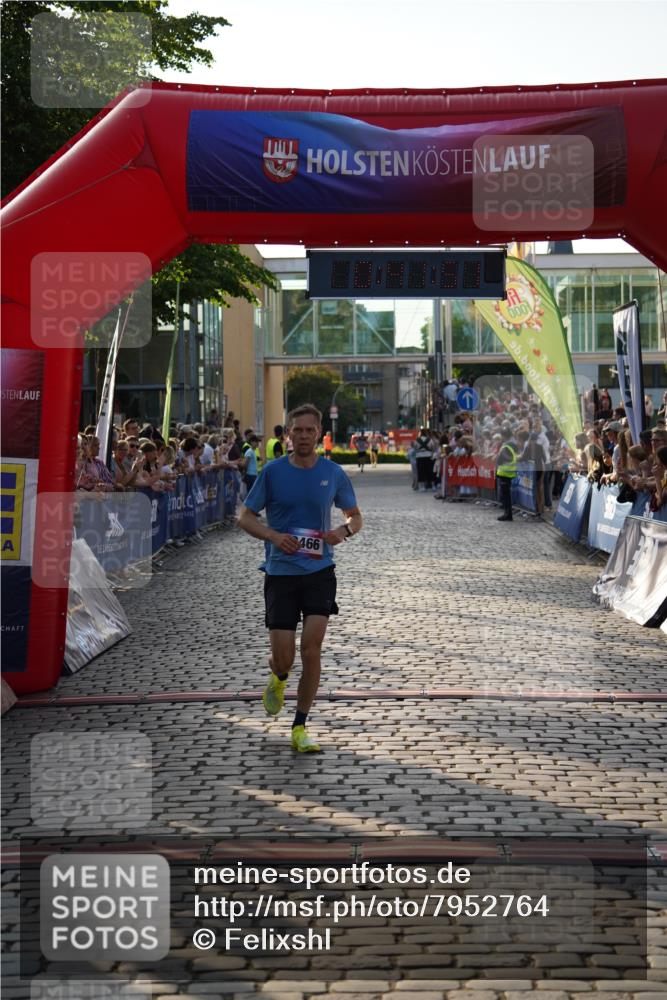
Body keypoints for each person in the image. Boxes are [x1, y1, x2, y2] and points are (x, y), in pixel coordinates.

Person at [237, 403, 362, 753]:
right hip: (280, 573)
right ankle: (278, 678)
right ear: (288, 434)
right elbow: (245, 517)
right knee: (284, 658)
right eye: (298, 430)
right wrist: (274, 537)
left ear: (318, 434)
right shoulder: (273, 472)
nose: (304, 436)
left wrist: (343, 531)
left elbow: (355, 517)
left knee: (311, 648)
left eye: (310, 430)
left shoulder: (333, 473)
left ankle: (300, 725)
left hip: (320, 570)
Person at [495, 426, 518, 521]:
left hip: (505, 473)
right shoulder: (513, 444)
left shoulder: (506, 446)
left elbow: (500, 460)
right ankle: (508, 513)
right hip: (509, 472)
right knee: (506, 494)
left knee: (506, 495)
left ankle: (507, 514)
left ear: (504, 436)